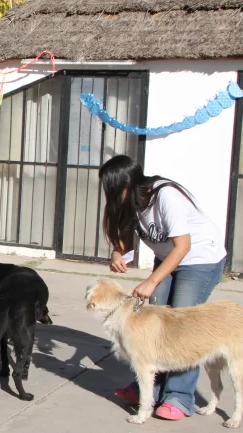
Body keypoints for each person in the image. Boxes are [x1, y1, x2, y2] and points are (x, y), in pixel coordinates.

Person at [99, 155, 227, 421]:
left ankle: (179, 398)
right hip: (168, 258)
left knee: (183, 323)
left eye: (112, 189)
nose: (109, 196)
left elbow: (183, 246)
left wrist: (151, 281)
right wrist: (117, 252)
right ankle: (147, 389)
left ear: (127, 185)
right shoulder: (132, 202)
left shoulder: (165, 196)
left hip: (200, 259)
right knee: (151, 321)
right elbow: (125, 232)